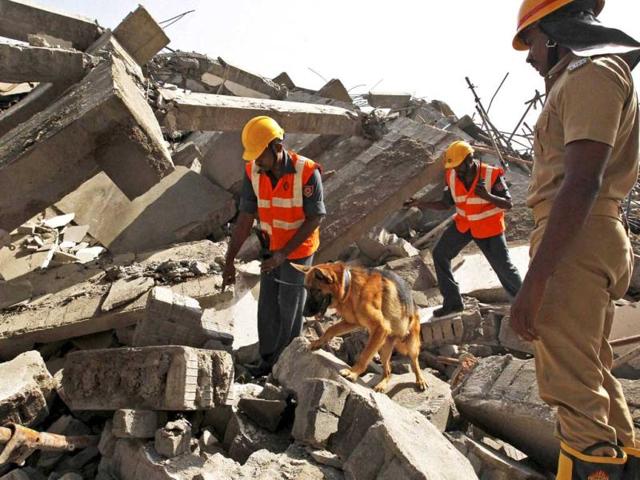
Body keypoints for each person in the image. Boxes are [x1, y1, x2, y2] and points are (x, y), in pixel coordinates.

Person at [510, 0, 640, 478]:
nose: (529, 57)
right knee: (592, 372)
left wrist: (535, 282)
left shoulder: (592, 74)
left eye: (532, 42)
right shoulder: (586, 75)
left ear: (556, 31)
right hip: (584, 236)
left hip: (576, 239)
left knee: (571, 387)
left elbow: (582, 181)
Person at [222, 116, 326, 377]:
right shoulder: (253, 173)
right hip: (270, 250)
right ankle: (267, 363)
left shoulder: (308, 172)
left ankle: (287, 367)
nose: (256, 161)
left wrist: (284, 254)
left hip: (298, 253)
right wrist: (229, 260)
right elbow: (245, 219)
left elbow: (315, 217)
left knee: (290, 307)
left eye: (260, 155)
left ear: (277, 147)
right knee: (268, 307)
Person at [406, 140, 522, 317]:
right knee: (440, 254)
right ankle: (453, 303)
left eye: (459, 167)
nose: (457, 171)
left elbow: (508, 203)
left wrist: (487, 195)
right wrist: (420, 203)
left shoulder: (490, 174)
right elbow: (446, 204)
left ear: (470, 159)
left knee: (504, 268)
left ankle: (524, 304)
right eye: (454, 167)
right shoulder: (452, 175)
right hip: (464, 225)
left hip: (488, 228)